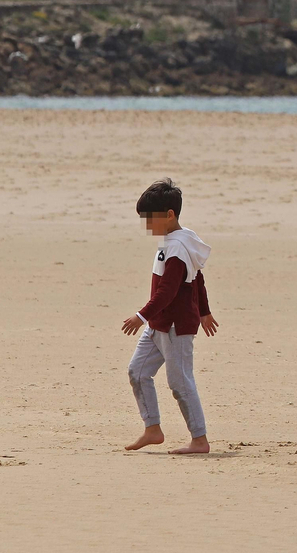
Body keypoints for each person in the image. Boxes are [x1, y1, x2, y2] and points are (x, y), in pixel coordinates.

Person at [120, 178, 218, 454]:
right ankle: (152, 428)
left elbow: (169, 290)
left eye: (150, 219)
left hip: (175, 327)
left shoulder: (178, 246)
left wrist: (140, 316)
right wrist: (205, 311)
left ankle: (199, 439)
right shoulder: (173, 241)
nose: (147, 226)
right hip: (158, 324)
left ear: (169, 215)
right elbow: (197, 280)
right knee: (138, 372)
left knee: (180, 382)